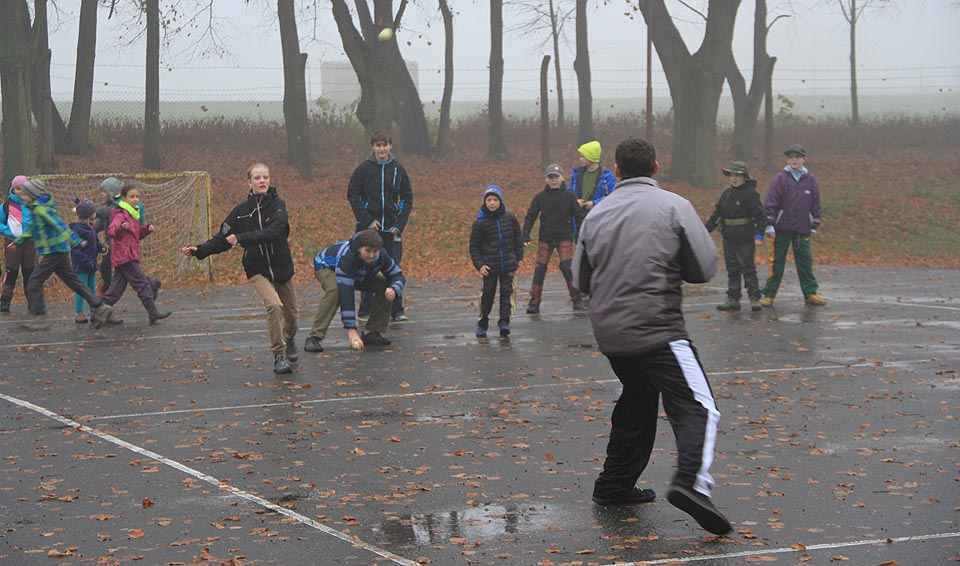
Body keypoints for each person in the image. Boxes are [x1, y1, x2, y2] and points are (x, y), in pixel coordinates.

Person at [572, 137, 732, 536]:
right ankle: (691, 483)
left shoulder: (597, 214)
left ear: (617, 171)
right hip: (657, 328)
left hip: (611, 333)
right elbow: (705, 267)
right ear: (656, 168)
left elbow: (579, 278)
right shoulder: (675, 206)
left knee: (639, 395)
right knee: (699, 405)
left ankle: (614, 484)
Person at [182, 163, 299, 374]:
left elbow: (275, 231)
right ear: (249, 182)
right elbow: (223, 239)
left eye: (265, 177)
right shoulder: (240, 212)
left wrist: (242, 238)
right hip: (258, 269)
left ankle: (289, 338)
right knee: (274, 305)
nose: (262, 181)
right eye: (257, 178)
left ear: (270, 180)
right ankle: (279, 355)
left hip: (282, 268)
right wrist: (200, 250)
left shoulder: (278, 206)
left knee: (291, 317)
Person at [13, 179, 114, 331]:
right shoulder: (35, 208)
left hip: (54, 251)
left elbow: (59, 225)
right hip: (57, 250)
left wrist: (75, 240)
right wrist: (19, 240)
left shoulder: (41, 209)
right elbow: (32, 229)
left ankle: (40, 317)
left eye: (25, 193)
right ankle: (99, 306)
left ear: (33, 195)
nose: (22, 195)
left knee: (34, 280)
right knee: (74, 281)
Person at [347, 131, 413, 322]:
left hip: (391, 230)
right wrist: (367, 220)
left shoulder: (398, 169)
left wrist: (399, 225)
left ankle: (397, 310)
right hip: (368, 230)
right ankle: (365, 310)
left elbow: (406, 198)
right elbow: (353, 195)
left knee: (392, 268)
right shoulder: (363, 169)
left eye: (385, 145)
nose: (382, 149)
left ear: (390, 146)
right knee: (367, 266)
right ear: (372, 147)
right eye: (378, 145)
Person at [303, 229, 403, 353]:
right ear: (359, 248)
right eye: (367, 251)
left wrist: (394, 289)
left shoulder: (382, 255)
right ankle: (314, 337)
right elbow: (346, 292)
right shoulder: (348, 257)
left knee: (385, 284)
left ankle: (373, 332)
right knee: (335, 291)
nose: (371, 255)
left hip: (358, 273)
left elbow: (397, 275)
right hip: (327, 266)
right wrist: (351, 330)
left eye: (374, 252)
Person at [760, 144, 826, 307]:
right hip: (782, 228)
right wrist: (769, 225)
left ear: (803, 159)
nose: (794, 160)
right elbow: (770, 203)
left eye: (797, 157)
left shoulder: (810, 180)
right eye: (791, 157)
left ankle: (810, 293)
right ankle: (769, 294)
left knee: (805, 262)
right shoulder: (780, 178)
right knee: (777, 262)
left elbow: (816, 204)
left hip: (802, 229)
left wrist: (814, 223)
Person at [102, 185, 171, 324]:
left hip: (130, 253)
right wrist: (121, 227)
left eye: (137, 197)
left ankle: (101, 313)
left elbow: (136, 234)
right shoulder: (121, 213)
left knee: (117, 287)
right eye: (132, 196)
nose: (135, 199)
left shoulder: (134, 213)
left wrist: (146, 229)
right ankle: (153, 312)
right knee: (141, 283)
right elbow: (111, 230)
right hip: (124, 255)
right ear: (124, 198)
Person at [704, 161, 767, 312]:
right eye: (732, 175)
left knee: (748, 268)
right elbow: (717, 214)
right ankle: (733, 298)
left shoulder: (751, 194)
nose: (734, 179)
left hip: (745, 237)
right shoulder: (727, 194)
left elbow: (761, 216)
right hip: (729, 237)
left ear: (745, 177)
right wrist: (705, 231)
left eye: (738, 175)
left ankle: (754, 297)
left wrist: (759, 234)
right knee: (732, 268)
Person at [522, 164, 583, 314]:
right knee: (540, 268)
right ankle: (534, 301)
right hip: (546, 237)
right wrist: (525, 234)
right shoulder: (540, 197)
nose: (554, 180)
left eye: (556, 177)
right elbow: (531, 216)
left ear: (562, 178)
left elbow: (578, 216)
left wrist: (579, 235)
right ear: (546, 179)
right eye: (551, 178)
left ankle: (576, 298)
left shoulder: (569, 196)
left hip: (564, 236)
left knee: (566, 266)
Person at [469, 185, 523, 338]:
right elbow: (474, 246)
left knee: (507, 294)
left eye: (495, 200)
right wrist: (479, 265)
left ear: (500, 201)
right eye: (489, 200)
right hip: (489, 266)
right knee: (487, 295)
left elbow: (517, 239)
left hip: (508, 265)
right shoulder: (480, 223)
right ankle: (483, 323)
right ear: (485, 201)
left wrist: (517, 258)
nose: (492, 203)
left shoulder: (510, 218)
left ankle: (504, 322)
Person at [95, 177, 160, 300]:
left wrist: (90, 211)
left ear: (112, 192)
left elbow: (106, 213)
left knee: (131, 274)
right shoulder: (110, 206)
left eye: (104, 191)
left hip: (123, 247)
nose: (102, 194)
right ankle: (150, 286)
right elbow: (99, 224)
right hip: (114, 245)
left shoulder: (119, 208)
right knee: (125, 274)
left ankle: (107, 296)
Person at [0, 175, 38, 315]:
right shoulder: (8, 204)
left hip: (30, 243)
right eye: (17, 189)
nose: (20, 191)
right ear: (13, 189)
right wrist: (6, 231)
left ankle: (32, 302)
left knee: (30, 272)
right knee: (11, 272)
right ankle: (5, 300)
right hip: (12, 243)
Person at [69, 198, 106, 323]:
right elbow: (74, 250)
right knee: (81, 289)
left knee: (92, 289)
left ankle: (93, 311)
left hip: (92, 264)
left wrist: (101, 248)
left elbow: (95, 242)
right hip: (81, 266)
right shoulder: (77, 230)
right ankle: (79, 313)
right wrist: (86, 260)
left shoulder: (91, 228)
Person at [567, 140, 617, 228]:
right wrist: (575, 201)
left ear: (591, 157)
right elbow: (570, 192)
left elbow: (613, 196)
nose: (580, 159)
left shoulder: (606, 176)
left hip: (598, 219)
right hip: (578, 218)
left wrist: (595, 203)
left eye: (583, 156)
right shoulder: (577, 173)